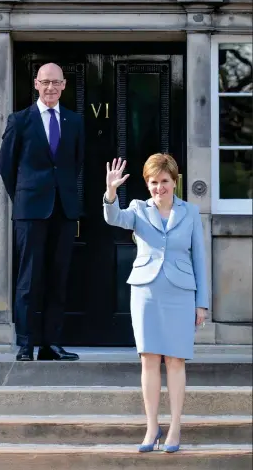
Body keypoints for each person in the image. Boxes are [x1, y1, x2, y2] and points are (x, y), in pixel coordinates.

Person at [103, 154, 208, 453]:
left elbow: (200, 259)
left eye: (164, 182)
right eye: (153, 182)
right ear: (146, 184)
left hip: (181, 294)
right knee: (148, 359)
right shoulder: (138, 209)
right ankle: (152, 427)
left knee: (175, 360)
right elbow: (114, 218)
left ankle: (175, 427)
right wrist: (110, 193)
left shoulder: (190, 212)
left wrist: (202, 303)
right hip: (146, 292)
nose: (159, 188)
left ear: (175, 182)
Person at [0, 63, 84, 362]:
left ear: (64, 86)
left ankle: (51, 344)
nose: (50, 88)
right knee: (28, 281)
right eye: (45, 82)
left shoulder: (75, 121)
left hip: (63, 210)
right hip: (30, 211)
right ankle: (25, 344)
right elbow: (6, 167)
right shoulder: (20, 120)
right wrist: (22, 199)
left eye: (56, 83)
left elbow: (75, 163)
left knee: (57, 279)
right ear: (36, 84)